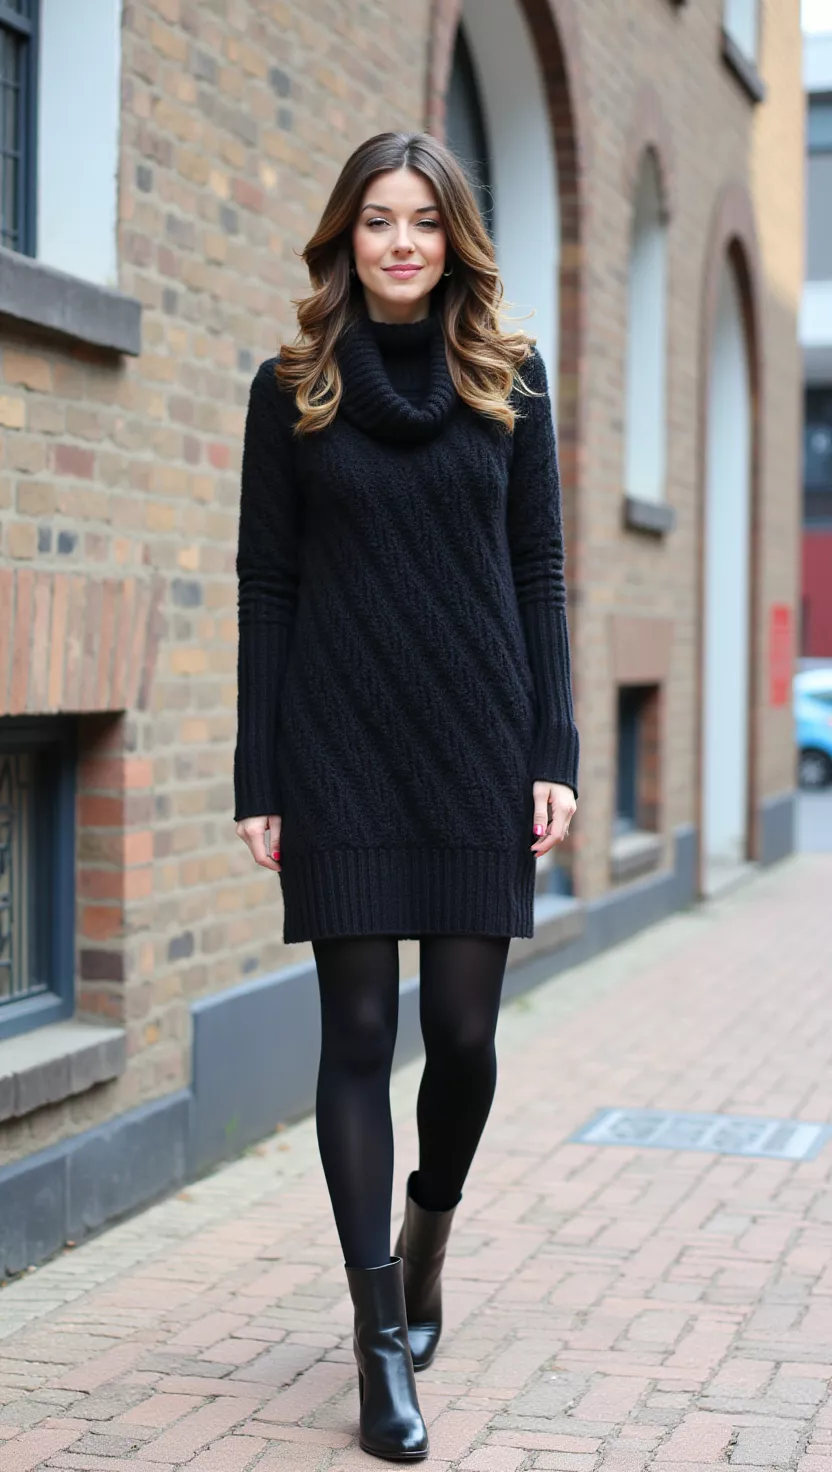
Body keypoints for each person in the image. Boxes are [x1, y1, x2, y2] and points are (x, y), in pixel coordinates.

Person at [233, 130, 579, 1462]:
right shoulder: (294, 386)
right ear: (345, 236)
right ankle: (380, 1345)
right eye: (376, 220)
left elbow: (539, 568)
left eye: (421, 222)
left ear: (453, 241)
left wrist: (551, 746)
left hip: (479, 740)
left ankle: (425, 1233)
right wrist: (260, 772)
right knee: (362, 1032)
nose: (398, 243)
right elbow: (268, 584)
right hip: (338, 745)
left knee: (467, 1036)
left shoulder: (508, 380)